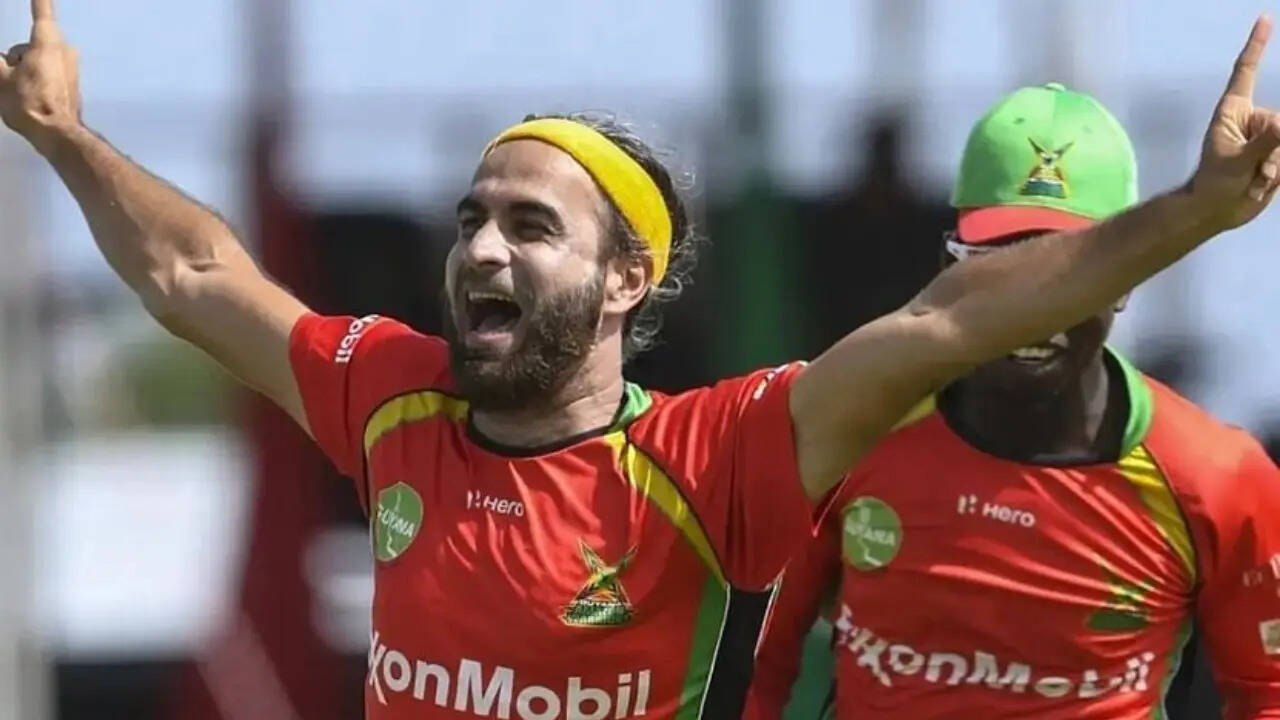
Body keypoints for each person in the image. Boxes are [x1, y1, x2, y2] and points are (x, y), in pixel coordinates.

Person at [3, 1, 1279, 717]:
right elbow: (195, 278)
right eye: (470, 218)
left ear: (624, 280)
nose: (481, 248)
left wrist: (1188, 214)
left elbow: (948, 324)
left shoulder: (709, 457)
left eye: (529, 226)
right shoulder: (391, 396)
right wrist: (61, 134)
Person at [745, 84, 1280, 720]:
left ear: (1126, 281)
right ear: (950, 266)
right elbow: (754, 672)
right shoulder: (847, 429)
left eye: (1069, 272)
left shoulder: (1218, 478)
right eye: (1002, 263)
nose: (1033, 308)